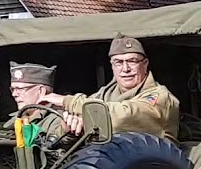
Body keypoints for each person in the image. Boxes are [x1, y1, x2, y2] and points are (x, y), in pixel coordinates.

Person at [38, 34, 180, 142]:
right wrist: (68, 128)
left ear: (145, 64)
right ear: (112, 66)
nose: (125, 69)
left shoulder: (159, 97)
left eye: (132, 61)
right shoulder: (105, 94)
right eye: (118, 62)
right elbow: (84, 116)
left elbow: (121, 117)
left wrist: (68, 101)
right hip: (110, 166)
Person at [6, 61, 82, 143]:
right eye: (13, 89)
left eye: (20, 89)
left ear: (41, 91)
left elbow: (62, 140)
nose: (14, 94)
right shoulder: (15, 118)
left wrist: (65, 131)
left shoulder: (57, 118)